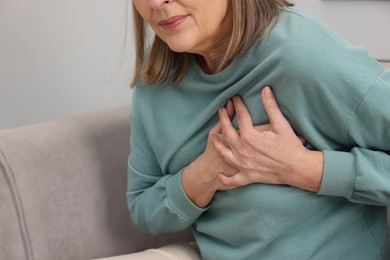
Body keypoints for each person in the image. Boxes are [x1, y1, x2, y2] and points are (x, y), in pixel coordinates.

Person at [127, 0, 390, 259]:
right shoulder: (153, 79)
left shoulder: (304, 54)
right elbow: (143, 211)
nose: (156, 2)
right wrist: (205, 173)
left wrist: (303, 168)